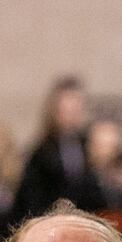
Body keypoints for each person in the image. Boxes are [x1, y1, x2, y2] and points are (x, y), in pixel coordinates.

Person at [15, 77, 92, 220]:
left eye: (77, 107)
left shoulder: (88, 144)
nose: (73, 113)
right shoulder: (41, 152)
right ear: (55, 110)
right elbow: (32, 197)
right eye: (68, 108)